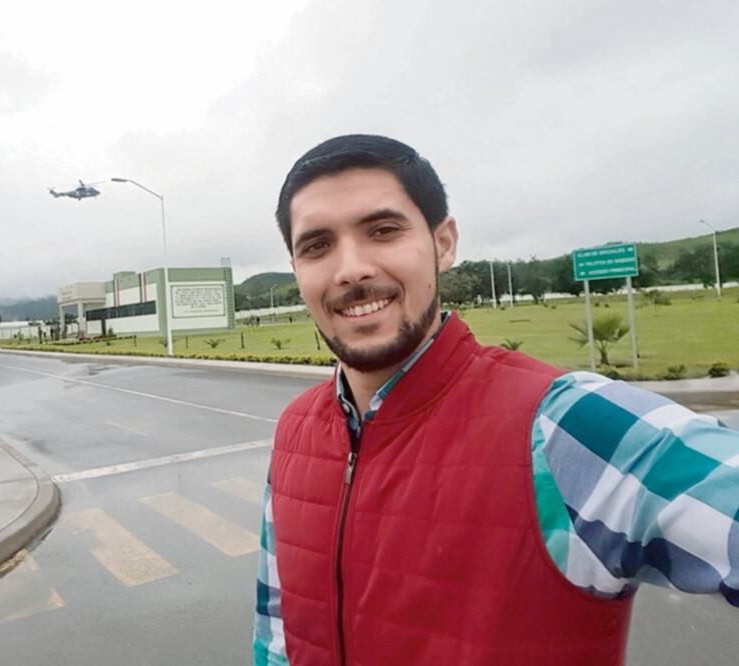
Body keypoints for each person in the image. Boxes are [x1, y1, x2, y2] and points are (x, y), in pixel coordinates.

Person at [252, 134, 739, 665]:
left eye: (383, 231)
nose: (350, 269)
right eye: (317, 246)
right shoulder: (295, 432)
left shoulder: (561, 427)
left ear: (443, 244)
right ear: (297, 269)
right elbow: (276, 636)